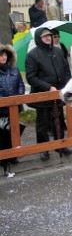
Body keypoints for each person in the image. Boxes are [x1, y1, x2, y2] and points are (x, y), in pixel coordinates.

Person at [25, 27, 72, 160]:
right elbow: (31, 77)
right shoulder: (33, 55)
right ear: (39, 39)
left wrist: (66, 85)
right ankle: (43, 148)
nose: (48, 38)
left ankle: (60, 145)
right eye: (44, 36)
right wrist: (48, 87)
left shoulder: (57, 51)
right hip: (43, 96)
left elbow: (66, 69)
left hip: (58, 94)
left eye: (49, 36)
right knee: (43, 124)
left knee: (59, 121)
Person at [0, 45, 25, 175]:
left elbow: (20, 84)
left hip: (15, 107)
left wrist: (18, 97)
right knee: (2, 133)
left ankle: (13, 155)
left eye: (4, 54)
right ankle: (3, 157)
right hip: (2, 109)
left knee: (14, 130)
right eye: (0, 55)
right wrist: (5, 101)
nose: (3, 57)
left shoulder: (14, 69)